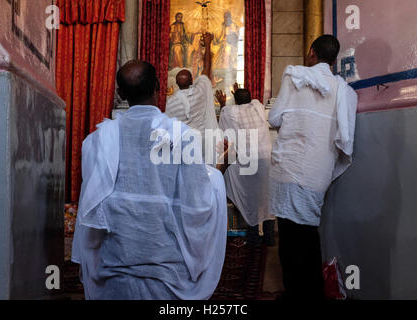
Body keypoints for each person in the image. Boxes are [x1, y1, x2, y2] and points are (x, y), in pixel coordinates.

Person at [71, 60, 230, 300]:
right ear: (158, 87)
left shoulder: (97, 139)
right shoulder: (182, 136)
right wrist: (218, 175)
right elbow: (199, 205)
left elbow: (91, 207)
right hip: (168, 277)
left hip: (114, 275)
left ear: (120, 93)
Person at [268, 35, 358, 299]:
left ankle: (295, 293)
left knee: (288, 237)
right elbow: (344, 139)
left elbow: (274, 118)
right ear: (334, 59)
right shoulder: (342, 89)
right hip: (317, 173)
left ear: (311, 53)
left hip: (289, 167)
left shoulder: (295, 76)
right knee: (308, 234)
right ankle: (310, 292)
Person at [215, 84, 275, 245]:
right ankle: (269, 236)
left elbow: (224, 118)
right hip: (264, 159)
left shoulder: (229, 112)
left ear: (235, 100)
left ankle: (254, 235)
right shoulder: (258, 107)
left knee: (249, 197)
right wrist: (239, 94)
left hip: (247, 163)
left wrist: (222, 102)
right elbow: (248, 100)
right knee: (266, 196)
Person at [165, 32, 219, 161]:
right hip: (202, 144)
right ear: (192, 81)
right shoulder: (200, 91)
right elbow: (207, 68)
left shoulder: (171, 103)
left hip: (182, 148)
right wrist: (207, 44)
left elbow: (169, 129)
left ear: (176, 83)